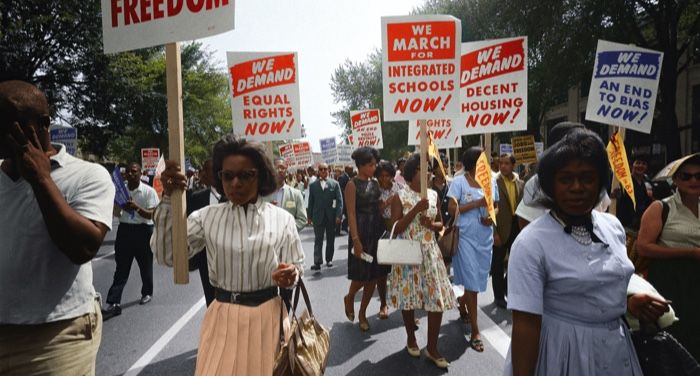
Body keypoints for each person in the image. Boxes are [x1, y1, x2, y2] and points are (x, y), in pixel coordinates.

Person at [152, 135, 304, 376]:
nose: (235, 183)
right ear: (219, 177)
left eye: (246, 175)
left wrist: (291, 274)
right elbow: (167, 255)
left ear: (261, 176)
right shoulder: (206, 217)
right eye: (227, 175)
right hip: (222, 316)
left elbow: (296, 266)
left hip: (268, 319)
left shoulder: (282, 219)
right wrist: (169, 200)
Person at [505, 128, 649, 376]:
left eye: (587, 178)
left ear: (600, 182)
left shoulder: (612, 226)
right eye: (566, 179)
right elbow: (526, 327)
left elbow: (605, 285)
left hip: (616, 352)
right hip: (564, 355)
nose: (577, 187)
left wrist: (628, 303)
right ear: (551, 185)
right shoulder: (530, 243)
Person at [0, 80, 115, 375]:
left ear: (42, 124)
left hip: (56, 338)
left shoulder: (87, 176)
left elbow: (83, 248)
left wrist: (41, 180)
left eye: (6, 119)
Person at [389, 153, 457, 369]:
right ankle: (411, 337)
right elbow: (395, 227)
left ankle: (433, 348)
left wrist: (432, 225)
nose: (427, 172)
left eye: (428, 168)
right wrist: (416, 210)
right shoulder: (401, 196)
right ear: (412, 173)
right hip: (408, 253)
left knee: (436, 301)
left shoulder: (433, 195)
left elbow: (441, 225)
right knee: (408, 299)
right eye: (422, 169)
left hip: (430, 252)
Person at [636, 153, 700, 360]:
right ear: (675, 180)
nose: (693, 181)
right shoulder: (661, 207)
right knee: (676, 340)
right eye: (686, 176)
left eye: (699, 176)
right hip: (671, 280)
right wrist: (689, 252)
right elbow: (644, 247)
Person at [447, 146, 499, 352]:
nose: (487, 162)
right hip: (465, 237)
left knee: (477, 278)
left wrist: (491, 215)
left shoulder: (491, 182)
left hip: (484, 238)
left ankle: (463, 303)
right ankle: (476, 331)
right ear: (473, 162)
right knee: (471, 281)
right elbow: (452, 209)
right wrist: (476, 203)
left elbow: (495, 205)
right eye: (482, 159)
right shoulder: (459, 181)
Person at [104, 162, 160, 315]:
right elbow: (116, 214)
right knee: (121, 268)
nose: (130, 174)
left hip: (143, 231)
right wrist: (120, 206)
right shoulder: (121, 192)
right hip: (125, 232)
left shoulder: (149, 192)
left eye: (134, 171)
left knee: (145, 265)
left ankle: (147, 292)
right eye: (128, 172)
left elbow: (151, 215)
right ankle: (113, 301)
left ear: (140, 173)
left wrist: (136, 207)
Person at [344, 147, 390, 331]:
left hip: (376, 231)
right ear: (361, 165)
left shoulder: (376, 184)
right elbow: (351, 214)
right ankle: (349, 297)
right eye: (371, 164)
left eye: (374, 164)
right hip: (361, 232)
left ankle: (362, 312)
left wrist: (389, 203)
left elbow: (378, 207)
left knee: (374, 276)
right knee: (362, 275)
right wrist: (356, 239)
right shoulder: (352, 184)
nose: (374, 167)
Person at [492, 153, 524, 309]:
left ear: (513, 165)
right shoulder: (494, 182)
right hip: (500, 228)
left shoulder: (520, 183)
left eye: (506, 163)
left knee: (516, 261)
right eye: (500, 163)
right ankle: (498, 297)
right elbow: (490, 209)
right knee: (497, 264)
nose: (503, 166)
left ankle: (506, 287)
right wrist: (494, 233)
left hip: (517, 226)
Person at [186, 159, 219, 307]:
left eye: (207, 169)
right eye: (202, 170)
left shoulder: (236, 197)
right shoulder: (195, 198)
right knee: (212, 303)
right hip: (206, 259)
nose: (202, 174)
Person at [375, 159, 400, 319]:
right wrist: (387, 203)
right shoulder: (375, 190)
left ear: (392, 176)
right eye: (381, 176)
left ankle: (405, 307)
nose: (384, 179)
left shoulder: (399, 188)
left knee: (400, 269)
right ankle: (383, 303)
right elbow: (377, 209)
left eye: (388, 176)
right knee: (382, 271)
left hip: (399, 229)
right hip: (381, 230)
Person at [307, 162, 343, 270]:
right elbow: (310, 202)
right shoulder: (313, 186)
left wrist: (338, 215)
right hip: (318, 216)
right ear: (318, 171)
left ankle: (329, 259)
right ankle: (317, 262)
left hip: (331, 216)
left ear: (328, 170)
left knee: (330, 239)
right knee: (318, 239)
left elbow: (339, 201)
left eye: (325, 169)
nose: (323, 171)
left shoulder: (335, 184)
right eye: (321, 169)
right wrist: (309, 216)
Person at [264, 157, 307, 232]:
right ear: (271, 171)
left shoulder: (296, 194)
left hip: (288, 239)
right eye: (277, 168)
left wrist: (287, 230)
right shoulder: (262, 194)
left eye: (282, 168)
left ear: (286, 171)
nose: (280, 170)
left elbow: (302, 220)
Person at [616, 154, 653, 231]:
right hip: (626, 224)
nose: (640, 166)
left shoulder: (645, 183)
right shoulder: (625, 182)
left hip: (639, 224)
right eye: (638, 163)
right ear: (632, 165)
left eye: (644, 164)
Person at [337, 165, 351, 235]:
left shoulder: (347, 176)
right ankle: (339, 229)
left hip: (345, 199)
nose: (351, 170)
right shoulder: (342, 177)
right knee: (341, 214)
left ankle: (343, 227)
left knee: (346, 214)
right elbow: (340, 188)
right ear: (346, 169)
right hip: (343, 199)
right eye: (350, 169)